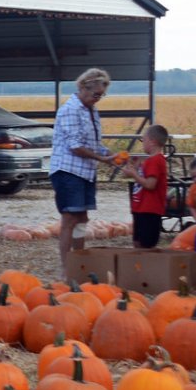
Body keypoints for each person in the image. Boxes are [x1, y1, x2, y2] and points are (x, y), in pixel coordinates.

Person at [51, 68, 117, 267]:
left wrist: (108, 154)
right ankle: (66, 267)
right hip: (68, 170)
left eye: (101, 95)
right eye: (96, 94)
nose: (98, 99)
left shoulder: (92, 110)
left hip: (86, 171)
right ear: (83, 87)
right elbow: (75, 146)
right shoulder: (71, 109)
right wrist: (101, 158)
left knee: (82, 217)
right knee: (70, 218)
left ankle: (79, 263)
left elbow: (93, 143)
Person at [121, 124, 171, 249]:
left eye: (144, 140)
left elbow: (150, 184)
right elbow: (126, 176)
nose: (142, 143)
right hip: (140, 208)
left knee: (146, 245)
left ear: (152, 142)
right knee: (137, 242)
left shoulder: (156, 161)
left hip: (150, 210)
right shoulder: (148, 161)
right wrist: (132, 167)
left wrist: (134, 174)